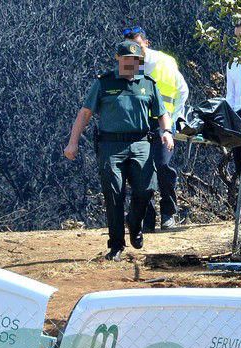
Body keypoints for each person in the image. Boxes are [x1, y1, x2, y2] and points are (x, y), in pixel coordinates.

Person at [64, 40, 174, 261]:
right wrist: (72, 142)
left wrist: (167, 131)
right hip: (111, 146)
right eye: (126, 60)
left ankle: (134, 222)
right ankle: (116, 245)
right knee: (113, 193)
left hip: (141, 144)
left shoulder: (148, 84)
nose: (130, 64)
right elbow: (84, 114)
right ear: (118, 59)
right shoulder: (104, 83)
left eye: (135, 61)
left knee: (145, 190)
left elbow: (162, 113)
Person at [123, 26, 189, 231]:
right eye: (130, 46)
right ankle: (146, 218)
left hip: (163, 124)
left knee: (162, 165)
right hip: (138, 126)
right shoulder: (128, 64)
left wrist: (175, 118)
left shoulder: (164, 61)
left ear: (146, 43)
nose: (134, 49)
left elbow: (182, 90)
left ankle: (168, 213)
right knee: (141, 171)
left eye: (138, 44)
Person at [226, 23, 241, 175]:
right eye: (237, 37)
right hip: (238, 117)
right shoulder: (233, 63)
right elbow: (231, 96)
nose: (240, 41)